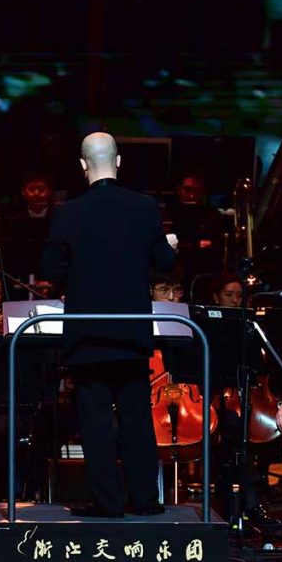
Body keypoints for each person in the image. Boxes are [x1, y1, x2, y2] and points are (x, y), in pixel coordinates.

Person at [40, 132, 177, 518]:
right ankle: (146, 499)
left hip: (87, 331)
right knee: (136, 414)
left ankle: (107, 502)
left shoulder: (68, 212)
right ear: (118, 162)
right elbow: (164, 263)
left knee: (95, 419)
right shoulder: (144, 206)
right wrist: (170, 245)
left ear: (83, 166)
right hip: (131, 329)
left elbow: (51, 269)